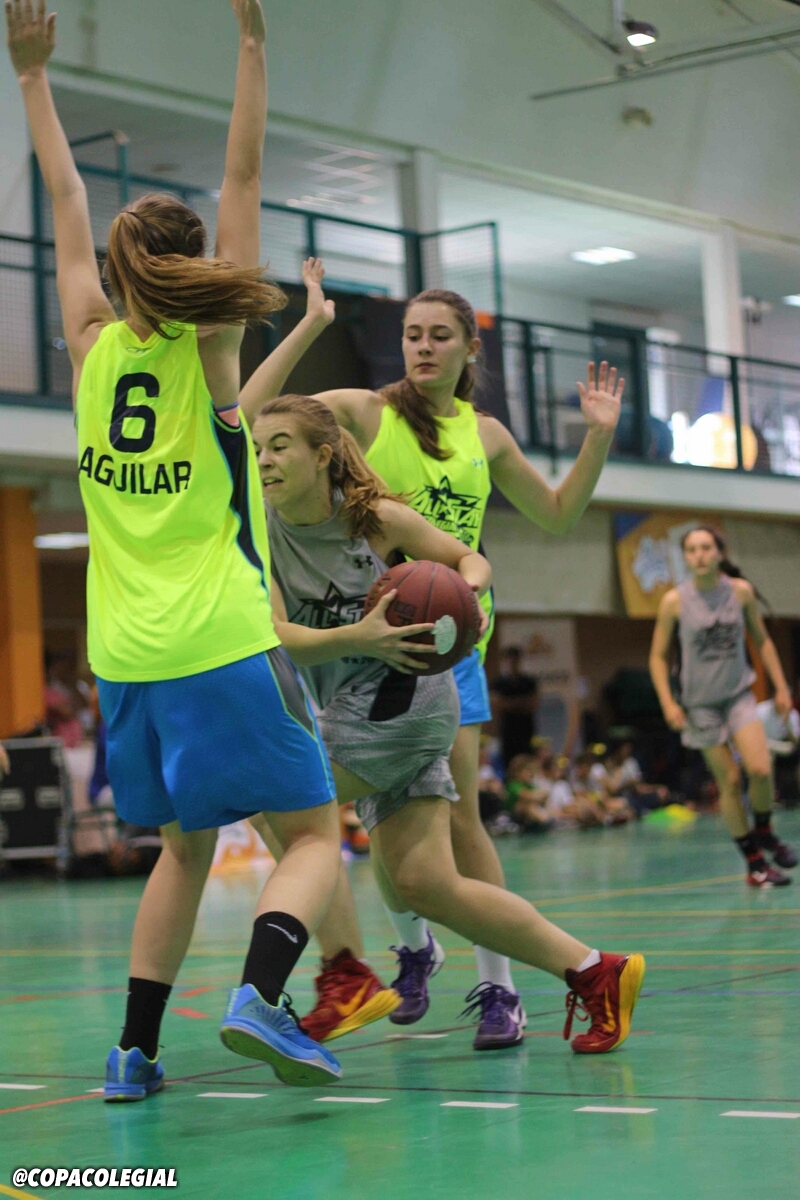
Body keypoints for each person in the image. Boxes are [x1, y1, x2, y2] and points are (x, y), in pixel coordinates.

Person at [7, 0, 345, 1097]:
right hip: (217, 637)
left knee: (183, 850)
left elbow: (64, 199)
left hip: (123, 660)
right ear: (196, 267)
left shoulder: (89, 345)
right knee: (314, 835)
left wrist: (30, 75)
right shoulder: (212, 342)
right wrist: (252, 48)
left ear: (116, 274)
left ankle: (132, 1053)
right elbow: (242, 177)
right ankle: (260, 993)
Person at [238, 260, 627, 1048]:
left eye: (437, 335)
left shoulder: (483, 437)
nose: (421, 346)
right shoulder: (367, 414)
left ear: (468, 348)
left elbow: (555, 516)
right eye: (411, 334)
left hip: (438, 651)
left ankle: (402, 979)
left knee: (314, 804)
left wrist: (597, 437)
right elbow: (252, 417)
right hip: (369, 659)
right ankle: (585, 968)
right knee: (421, 876)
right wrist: (310, 324)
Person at [649, 525, 797, 887]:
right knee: (729, 781)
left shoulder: (740, 592)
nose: (699, 555)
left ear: (719, 553)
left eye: (706, 547)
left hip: (738, 696)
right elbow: (657, 657)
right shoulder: (674, 601)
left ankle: (765, 832)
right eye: (691, 549)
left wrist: (781, 688)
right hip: (699, 706)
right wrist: (668, 702)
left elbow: (762, 641)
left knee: (760, 769)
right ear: (685, 558)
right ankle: (755, 864)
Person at [491, 647, 539, 767]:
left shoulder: (529, 682)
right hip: (508, 731)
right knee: (509, 764)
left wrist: (509, 703)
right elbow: (496, 704)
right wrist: (520, 702)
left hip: (526, 730)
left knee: (527, 762)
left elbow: (533, 703)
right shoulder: (499, 683)